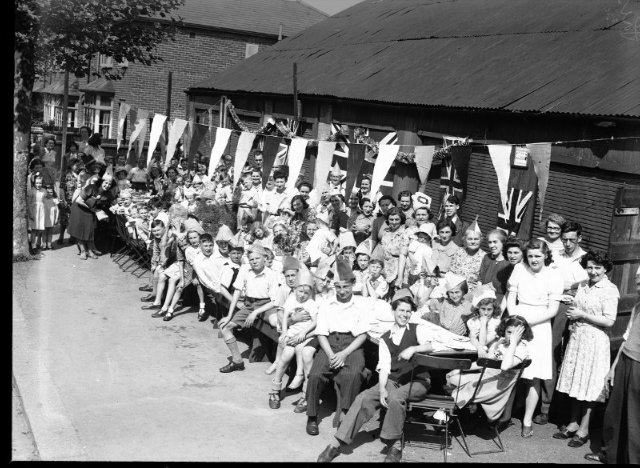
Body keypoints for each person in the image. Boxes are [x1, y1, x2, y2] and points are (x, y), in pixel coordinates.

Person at [317, 292, 433, 463]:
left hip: (418, 380)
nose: (404, 315)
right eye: (401, 310)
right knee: (364, 397)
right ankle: (335, 444)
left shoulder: (418, 329)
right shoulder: (386, 337)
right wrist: (381, 390)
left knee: (395, 397)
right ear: (393, 311)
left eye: (408, 311)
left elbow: (431, 345)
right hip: (395, 380)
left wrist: (414, 349)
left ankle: (395, 446)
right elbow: (385, 367)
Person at [553, 251, 619, 448]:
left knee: (589, 385)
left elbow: (609, 320)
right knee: (576, 381)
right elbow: (577, 305)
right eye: (589, 267)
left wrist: (582, 314)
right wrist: (574, 317)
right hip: (578, 338)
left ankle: (584, 428)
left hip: (595, 341)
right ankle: (572, 423)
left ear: (605, 268)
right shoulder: (582, 285)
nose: (593, 271)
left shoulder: (610, 289)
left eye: (597, 268)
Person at [305, 258, 371, 436]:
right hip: (329, 343)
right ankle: (311, 415)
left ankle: (345, 411)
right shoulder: (327, 304)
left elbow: (363, 334)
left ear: (353, 284)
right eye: (338, 287)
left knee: (354, 372)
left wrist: (344, 354)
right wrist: (331, 354)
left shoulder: (361, 304)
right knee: (315, 374)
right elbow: (321, 333)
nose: (342, 291)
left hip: (352, 345)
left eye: (345, 287)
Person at [506, 238, 563, 438]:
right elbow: (511, 297)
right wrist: (515, 319)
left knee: (533, 375)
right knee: (510, 367)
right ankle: (502, 415)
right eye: (530, 256)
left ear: (546, 255)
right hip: (517, 320)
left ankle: (527, 419)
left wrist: (528, 322)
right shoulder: (519, 270)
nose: (533, 259)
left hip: (540, 325)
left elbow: (553, 309)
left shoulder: (553, 275)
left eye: (537, 255)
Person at [585, 267, 640, 464]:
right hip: (626, 361)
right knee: (615, 413)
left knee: (635, 418)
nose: (638, 285)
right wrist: (613, 368)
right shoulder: (637, 307)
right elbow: (626, 338)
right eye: (637, 280)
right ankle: (610, 455)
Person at [536, 221, 589, 426]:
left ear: (579, 239)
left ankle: (567, 412)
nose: (567, 244)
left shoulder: (585, 259)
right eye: (564, 240)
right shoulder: (556, 256)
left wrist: (570, 286)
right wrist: (566, 287)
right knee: (551, 353)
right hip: (556, 306)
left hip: (576, 309)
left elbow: (586, 284)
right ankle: (546, 407)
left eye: (571, 240)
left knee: (572, 357)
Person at [445, 315, 532, 424]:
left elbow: (505, 366)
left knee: (463, 390)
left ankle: (448, 412)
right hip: (488, 377)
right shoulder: (501, 346)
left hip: (496, 387)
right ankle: (465, 409)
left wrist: (513, 343)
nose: (511, 337)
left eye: (515, 334)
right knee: (453, 377)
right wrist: (461, 369)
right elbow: (486, 363)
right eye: (509, 332)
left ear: (522, 335)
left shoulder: (521, 350)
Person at [218, 242, 281, 373]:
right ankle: (237, 361)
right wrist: (229, 316)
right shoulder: (245, 269)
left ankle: (279, 360)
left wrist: (255, 312)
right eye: (251, 259)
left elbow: (275, 301)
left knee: (276, 323)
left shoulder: (271, 274)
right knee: (224, 327)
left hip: (266, 306)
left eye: (257, 258)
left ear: (265, 258)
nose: (254, 262)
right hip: (249, 304)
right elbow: (237, 291)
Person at [269, 270, 319, 409]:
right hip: (292, 333)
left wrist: (302, 334)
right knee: (286, 354)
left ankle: (304, 390)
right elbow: (285, 316)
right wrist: (284, 332)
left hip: (307, 336)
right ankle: (275, 388)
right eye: (299, 291)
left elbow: (315, 322)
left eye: (305, 293)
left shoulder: (311, 303)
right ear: (295, 289)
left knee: (304, 354)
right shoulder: (291, 299)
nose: (302, 295)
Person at [68, 174, 115, 260]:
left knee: (89, 229)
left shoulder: (106, 193)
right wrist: (92, 209)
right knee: (80, 230)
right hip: (79, 209)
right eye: (106, 183)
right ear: (101, 182)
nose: (107, 185)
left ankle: (90, 251)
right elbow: (79, 200)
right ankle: (83, 251)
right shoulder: (92, 187)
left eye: (109, 184)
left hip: (90, 210)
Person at [421, 272, 471, 336]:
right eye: (451, 292)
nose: (454, 295)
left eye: (457, 292)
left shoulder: (468, 305)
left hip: (458, 341)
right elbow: (422, 302)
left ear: (463, 292)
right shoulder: (444, 302)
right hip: (441, 338)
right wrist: (432, 287)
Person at [377, 207, 410, 292]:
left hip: (398, 269)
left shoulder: (404, 234)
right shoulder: (386, 233)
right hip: (385, 268)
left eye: (397, 219)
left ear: (401, 220)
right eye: (391, 219)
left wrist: (399, 277)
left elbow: (403, 256)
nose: (394, 222)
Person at [449, 223, 486, 293]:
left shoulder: (484, 257)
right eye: (470, 239)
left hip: (472, 293)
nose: (473, 242)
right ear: (465, 239)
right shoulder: (459, 251)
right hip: (454, 290)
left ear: (481, 240)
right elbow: (451, 271)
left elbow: (482, 282)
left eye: (476, 239)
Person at [467, 287, 503, 357]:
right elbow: (473, 338)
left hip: (494, 352)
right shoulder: (472, 321)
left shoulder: (496, 322)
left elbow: (483, 343)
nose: (486, 313)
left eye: (489, 309)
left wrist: (483, 324)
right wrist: (479, 347)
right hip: (479, 351)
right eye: (483, 309)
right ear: (478, 309)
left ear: (494, 309)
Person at [478, 229, 510, 304]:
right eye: (490, 242)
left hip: (499, 299)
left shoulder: (508, 262)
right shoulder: (487, 257)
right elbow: (480, 279)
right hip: (483, 295)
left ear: (503, 243)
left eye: (495, 242)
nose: (492, 245)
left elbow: (507, 289)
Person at [27, 174, 46, 252]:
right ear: (34, 183)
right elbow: (28, 203)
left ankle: (38, 242)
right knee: (34, 229)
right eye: (37, 183)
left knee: (40, 229)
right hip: (34, 211)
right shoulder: (31, 191)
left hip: (41, 212)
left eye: (40, 183)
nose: (38, 185)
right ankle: (33, 245)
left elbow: (46, 201)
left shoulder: (44, 191)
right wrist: (31, 213)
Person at [42, 185, 59, 250]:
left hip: (52, 218)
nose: (49, 194)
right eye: (48, 192)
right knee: (44, 232)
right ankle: (44, 245)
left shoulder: (54, 199)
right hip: (45, 218)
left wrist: (56, 218)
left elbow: (57, 210)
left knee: (50, 232)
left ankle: (49, 244)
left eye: (51, 192)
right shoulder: (43, 199)